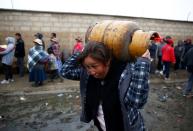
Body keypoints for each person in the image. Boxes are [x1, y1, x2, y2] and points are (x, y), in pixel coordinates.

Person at [60, 41, 151, 131]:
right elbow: (65, 71)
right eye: (87, 67)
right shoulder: (88, 75)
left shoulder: (124, 74)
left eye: (94, 66)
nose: (91, 71)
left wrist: (143, 63)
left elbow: (136, 102)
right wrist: (82, 52)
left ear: (107, 61)